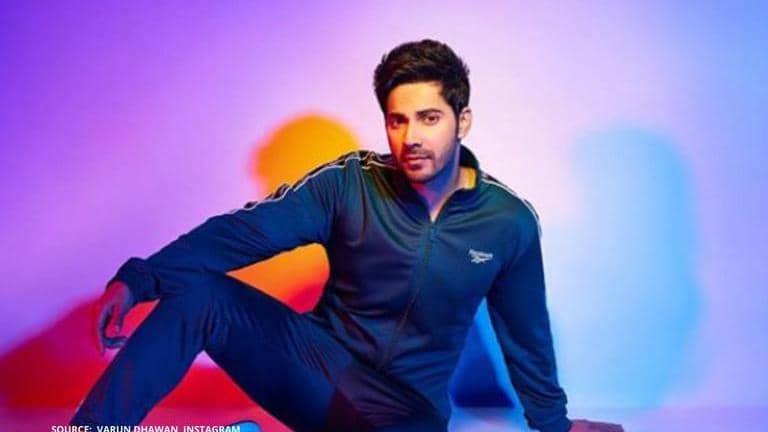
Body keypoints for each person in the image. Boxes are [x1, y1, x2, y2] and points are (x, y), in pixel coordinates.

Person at [71, 39, 623, 432]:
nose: (411, 137)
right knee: (200, 293)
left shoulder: (507, 222)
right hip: (320, 372)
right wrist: (139, 280)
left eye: (429, 118)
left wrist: (555, 426)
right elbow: (241, 233)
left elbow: (526, 335)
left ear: (463, 120)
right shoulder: (350, 185)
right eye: (397, 120)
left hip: (406, 412)